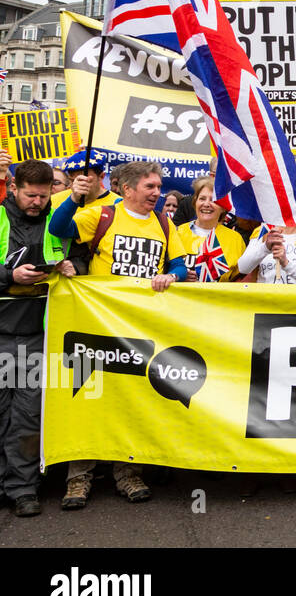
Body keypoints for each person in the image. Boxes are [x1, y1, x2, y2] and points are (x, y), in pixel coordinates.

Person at [50, 160, 186, 509]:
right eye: (150, 187)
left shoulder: (164, 223)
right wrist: (73, 196)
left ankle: (128, 473)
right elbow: (57, 227)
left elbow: (179, 264)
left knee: (132, 400)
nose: (157, 193)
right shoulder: (103, 215)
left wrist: (173, 276)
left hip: (140, 329)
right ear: (128, 189)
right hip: (96, 324)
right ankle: (78, 479)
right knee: (88, 399)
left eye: (158, 187)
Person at [0, 160, 76, 517]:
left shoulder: (57, 222)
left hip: (37, 334)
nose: (37, 202)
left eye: (44, 196)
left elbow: (80, 260)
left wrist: (72, 266)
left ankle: (23, 488)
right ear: (13, 188)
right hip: (1, 329)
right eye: (31, 195)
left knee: (28, 415)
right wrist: (9, 275)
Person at [235, 177, 296, 285]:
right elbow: (243, 267)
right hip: (264, 300)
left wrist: (286, 263)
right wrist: (265, 248)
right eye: (283, 195)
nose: (287, 201)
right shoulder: (263, 231)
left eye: (294, 197)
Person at [176, 176, 246, 282]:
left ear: (223, 208)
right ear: (195, 203)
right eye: (202, 199)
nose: (207, 204)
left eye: (213, 200)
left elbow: (240, 279)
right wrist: (178, 276)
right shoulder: (177, 233)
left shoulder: (235, 239)